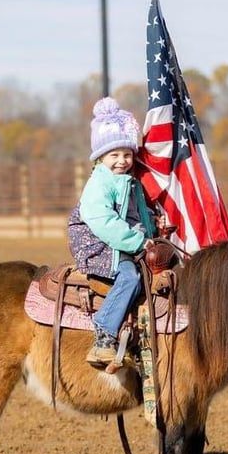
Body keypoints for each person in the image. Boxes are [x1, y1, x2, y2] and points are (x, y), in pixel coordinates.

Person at [68, 97, 158, 367]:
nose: (122, 161)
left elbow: (137, 214)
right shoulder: (100, 182)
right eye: (114, 155)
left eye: (127, 154)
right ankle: (104, 335)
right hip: (96, 242)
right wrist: (139, 242)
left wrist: (154, 229)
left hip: (121, 240)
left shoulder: (128, 181)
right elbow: (103, 221)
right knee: (130, 276)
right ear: (100, 156)